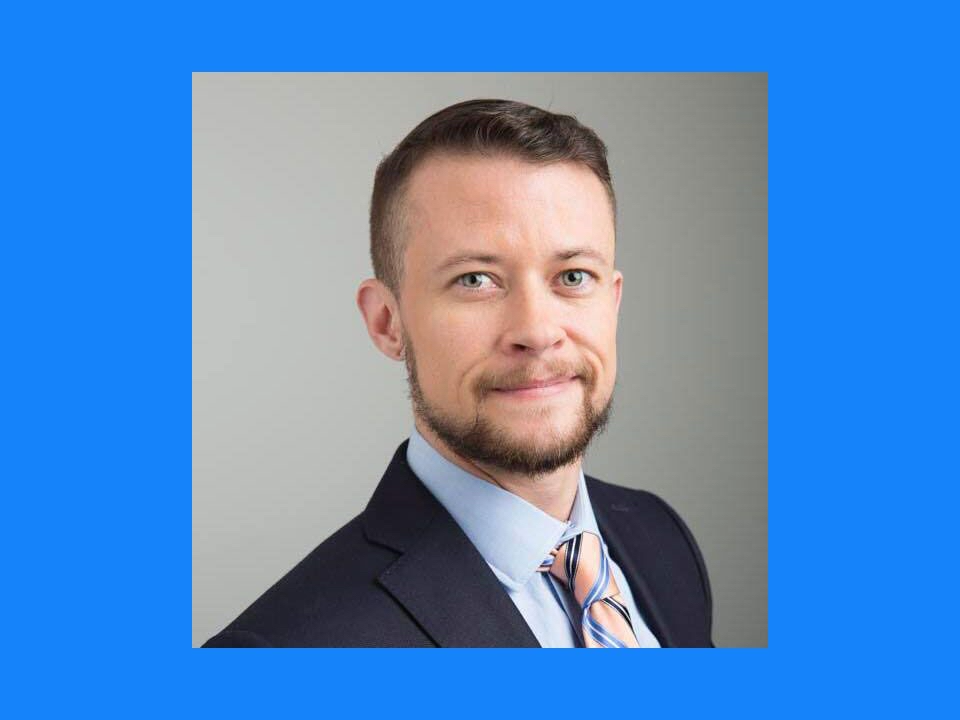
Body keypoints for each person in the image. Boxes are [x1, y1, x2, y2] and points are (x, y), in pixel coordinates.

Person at [203, 99, 714, 648]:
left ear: (612, 303)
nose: (537, 331)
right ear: (387, 322)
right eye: (475, 280)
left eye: (572, 276)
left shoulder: (659, 538)